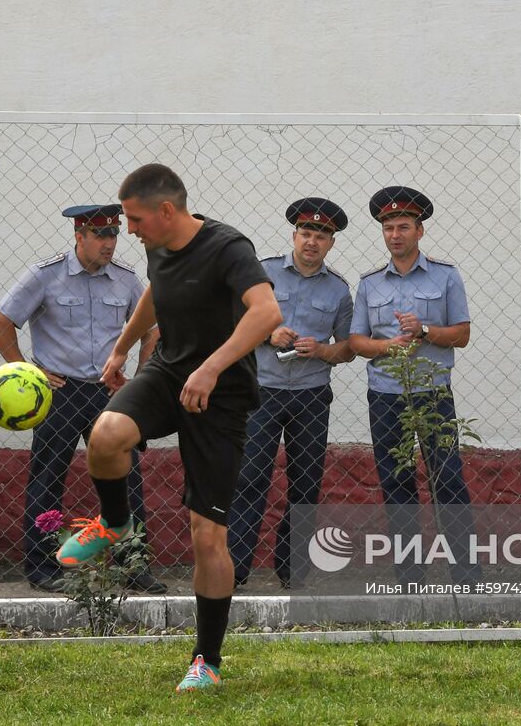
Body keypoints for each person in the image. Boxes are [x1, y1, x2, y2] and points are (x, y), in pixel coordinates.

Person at [56, 164, 282, 692]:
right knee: (106, 436)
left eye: (134, 219)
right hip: (168, 371)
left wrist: (212, 367)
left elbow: (266, 311)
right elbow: (156, 293)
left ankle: (207, 661)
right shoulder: (158, 245)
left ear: (166, 211)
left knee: (208, 537)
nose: (128, 230)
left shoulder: (228, 247)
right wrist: (122, 347)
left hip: (218, 395)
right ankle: (114, 524)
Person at [0, 203, 166, 595]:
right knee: (48, 478)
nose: (110, 244)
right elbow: (0, 320)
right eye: (101, 236)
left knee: (125, 477)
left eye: (114, 235)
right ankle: (42, 567)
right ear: (79, 236)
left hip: (107, 393)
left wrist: (140, 380)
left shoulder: (125, 279)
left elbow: (150, 330)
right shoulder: (45, 275)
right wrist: (27, 374)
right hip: (60, 393)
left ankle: (132, 564)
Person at [348, 186, 481, 587]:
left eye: (403, 226)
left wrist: (424, 331)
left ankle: (467, 573)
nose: (395, 235)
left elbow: (462, 334)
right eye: (388, 228)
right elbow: (356, 341)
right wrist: (387, 345)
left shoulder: (445, 276)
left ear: (420, 231)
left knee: (448, 479)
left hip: (433, 392)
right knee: (396, 482)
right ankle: (410, 575)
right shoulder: (370, 284)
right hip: (386, 394)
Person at [228, 198, 355, 590]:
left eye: (321, 236)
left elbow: (348, 348)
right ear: (293, 235)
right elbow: (233, 321)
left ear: (331, 243)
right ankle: (235, 570)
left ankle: (292, 570)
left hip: (311, 396)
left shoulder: (338, 290)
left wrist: (320, 350)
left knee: (304, 485)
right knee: (250, 480)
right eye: (306, 233)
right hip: (261, 392)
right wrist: (268, 334)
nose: (312, 242)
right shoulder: (263, 273)